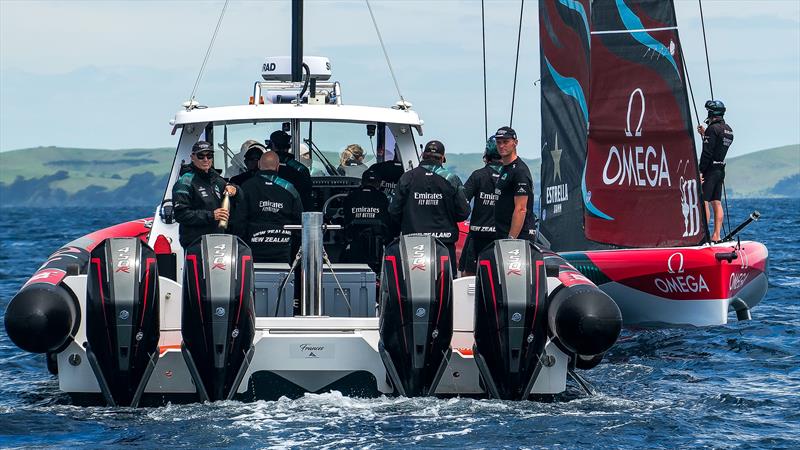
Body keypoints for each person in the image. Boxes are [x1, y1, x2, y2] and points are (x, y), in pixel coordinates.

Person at [389, 140, 470, 270]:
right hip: (443, 245)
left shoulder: (407, 177)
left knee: (412, 286)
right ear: (443, 158)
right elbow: (463, 212)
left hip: (413, 244)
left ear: (423, 155)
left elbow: (394, 211)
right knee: (445, 287)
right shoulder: (451, 179)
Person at [238, 151, 303, 264]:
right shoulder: (290, 188)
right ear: (278, 167)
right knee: (283, 278)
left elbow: (239, 221)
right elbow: (299, 222)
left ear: (258, 165)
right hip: (282, 249)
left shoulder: (246, 187)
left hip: (253, 249)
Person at [172, 141, 240, 248]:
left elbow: (239, 200)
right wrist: (212, 215)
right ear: (192, 157)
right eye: (201, 156)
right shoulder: (185, 181)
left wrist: (236, 190)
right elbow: (181, 215)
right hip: (196, 243)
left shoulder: (217, 179)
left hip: (219, 241)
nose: (206, 159)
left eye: (209, 155)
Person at [459, 136, 503, 275]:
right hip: (502, 237)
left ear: (487, 155)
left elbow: (461, 200)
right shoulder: (513, 175)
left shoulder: (478, 176)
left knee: (469, 276)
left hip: (478, 237)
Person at [341, 169, 392, 272]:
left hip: (354, 243)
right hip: (377, 244)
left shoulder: (350, 197)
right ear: (378, 184)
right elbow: (388, 219)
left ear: (362, 182)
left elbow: (345, 218)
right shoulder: (382, 198)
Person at [697, 100, 733, 242]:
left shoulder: (713, 129)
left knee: (704, 201)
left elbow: (707, 152)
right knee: (716, 202)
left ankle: (704, 236)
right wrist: (705, 134)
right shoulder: (728, 129)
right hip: (720, 170)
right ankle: (716, 235)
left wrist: (700, 171)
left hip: (710, 170)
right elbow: (717, 146)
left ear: (712, 113)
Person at [493, 126, 537, 242]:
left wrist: (511, 240)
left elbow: (521, 209)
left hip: (518, 238)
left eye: (506, 142)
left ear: (515, 143)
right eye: (499, 142)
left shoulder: (519, 171)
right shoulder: (505, 168)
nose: (502, 146)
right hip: (503, 234)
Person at [269, 130, 313, 210]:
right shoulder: (302, 170)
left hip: (265, 219)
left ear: (272, 145)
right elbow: (306, 200)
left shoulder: (263, 169)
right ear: (288, 147)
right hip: (294, 219)